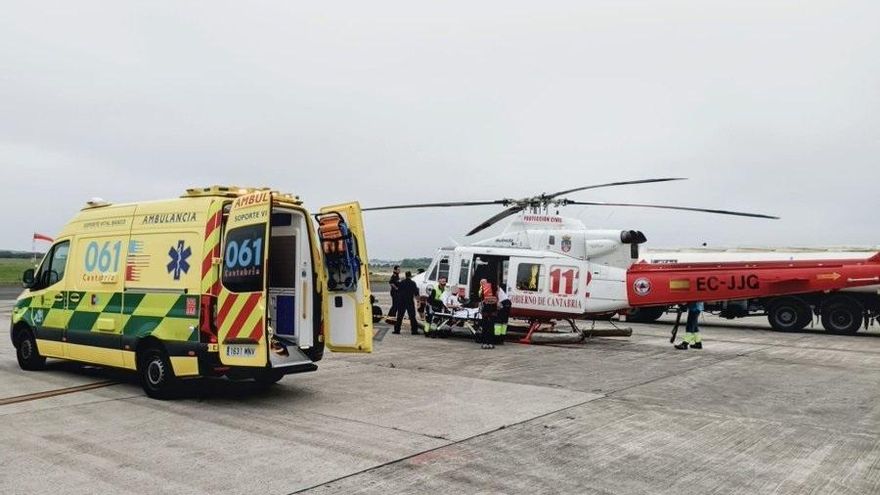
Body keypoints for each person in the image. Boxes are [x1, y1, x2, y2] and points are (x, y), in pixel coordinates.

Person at [394, 271, 420, 335]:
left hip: (402, 301)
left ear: (405, 275)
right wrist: (418, 301)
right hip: (409, 301)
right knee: (412, 316)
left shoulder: (402, 282)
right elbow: (416, 293)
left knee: (400, 316)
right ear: (410, 276)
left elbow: (398, 290)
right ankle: (414, 331)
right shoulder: (413, 283)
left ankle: (397, 330)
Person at [479, 279, 500, 349]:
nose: (482, 284)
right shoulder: (482, 290)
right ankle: (486, 343)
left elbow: (496, 299)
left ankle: (489, 342)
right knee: (487, 328)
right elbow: (481, 299)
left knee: (489, 328)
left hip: (491, 311)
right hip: (487, 311)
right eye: (481, 283)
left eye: (483, 283)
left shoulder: (492, 289)